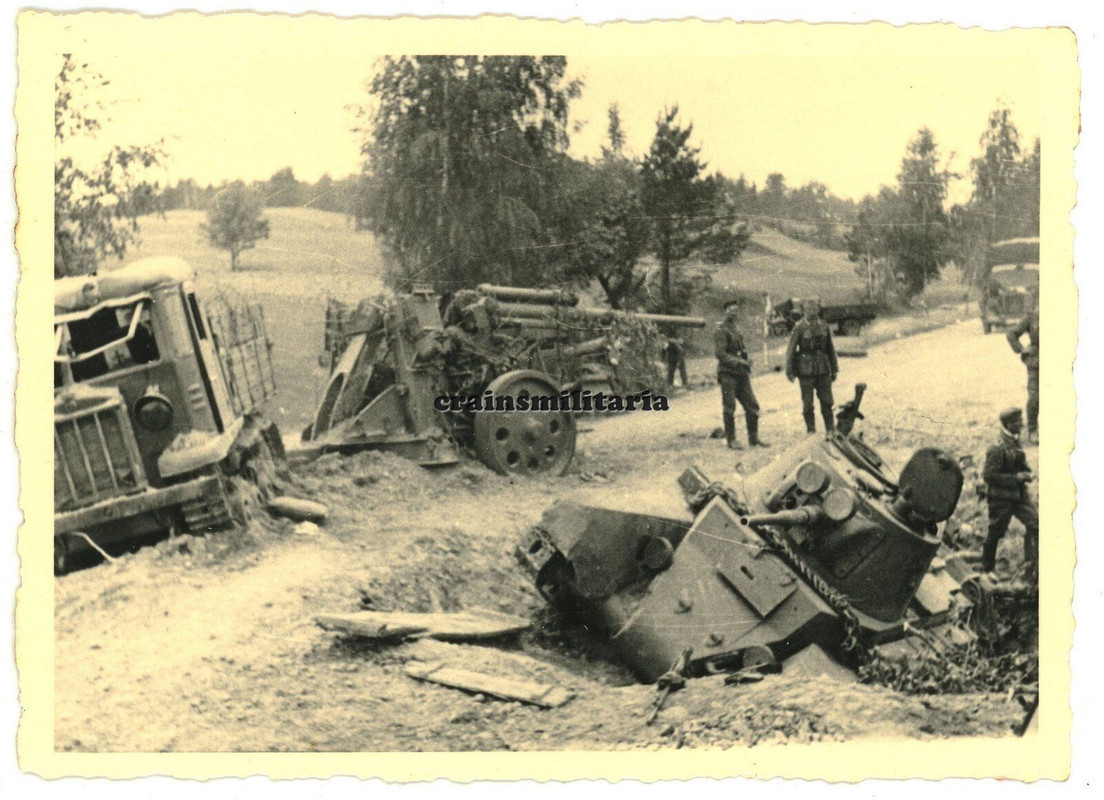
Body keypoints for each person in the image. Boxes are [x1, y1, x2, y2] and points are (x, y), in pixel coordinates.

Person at [982, 407, 1038, 581]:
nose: (1022, 424)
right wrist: (1017, 478)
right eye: (1018, 422)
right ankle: (987, 569)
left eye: (1021, 420)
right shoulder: (997, 447)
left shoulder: (1014, 439)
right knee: (996, 533)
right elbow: (989, 476)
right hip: (1001, 499)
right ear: (1008, 424)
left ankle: (1031, 567)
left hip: (1019, 496)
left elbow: (1019, 462)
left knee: (1036, 525)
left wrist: (1027, 472)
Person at [714, 298, 768, 449]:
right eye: (730, 310)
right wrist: (739, 362)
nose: (733, 312)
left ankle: (753, 438)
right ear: (725, 311)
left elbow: (741, 349)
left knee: (752, 405)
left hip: (741, 373)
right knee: (729, 407)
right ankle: (731, 440)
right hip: (728, 374)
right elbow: (720, 354)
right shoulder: (721, 330)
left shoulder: (736, 328)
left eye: (736, 310)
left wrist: (746, 358)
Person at [785, 297, 839, 435]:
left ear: (818, 309)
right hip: (805, 370)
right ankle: (811, 431)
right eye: (809, 309)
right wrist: (789, 370)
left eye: (815, 308)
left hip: (823, 369)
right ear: (803, 311)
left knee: (827, 401)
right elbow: (791, 350)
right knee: (808, 403)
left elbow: (830, 349)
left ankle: (830, 429)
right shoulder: (799, 327)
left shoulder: (824, 325)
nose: (812, 311)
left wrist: (834, 369)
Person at [1006, 291, 1040, 443]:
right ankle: (1032, 430)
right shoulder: (1033, 317)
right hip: (1037, 362)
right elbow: (1012, 333)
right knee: (1035, 397)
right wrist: (1021, 348)